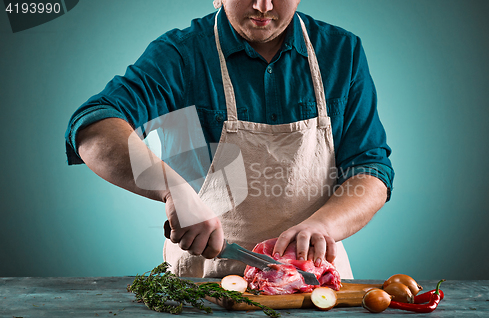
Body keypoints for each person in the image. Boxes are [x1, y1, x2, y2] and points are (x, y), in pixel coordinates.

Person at [65, 0, 394, 279]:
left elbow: (370, 170)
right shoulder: (180, 55)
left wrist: (325, 225)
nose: (263, 6)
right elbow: (94, 129)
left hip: (313, 279)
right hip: (202, 286)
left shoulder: (342, 52)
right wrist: (173, 189)